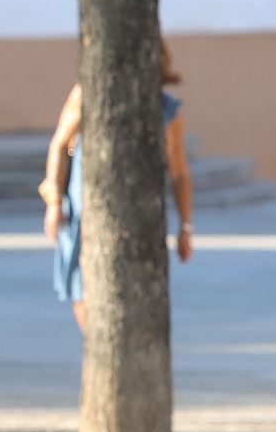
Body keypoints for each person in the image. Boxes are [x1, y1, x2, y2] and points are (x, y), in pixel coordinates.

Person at [38, 42, 193, 333]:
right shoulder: (88, 94)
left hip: (142, 217)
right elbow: (61, 145)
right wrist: (54, 203)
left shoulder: (166, 110)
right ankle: (95, 342)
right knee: (81, 289)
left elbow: (179, 172)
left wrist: (185, 227)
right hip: (85, 211)